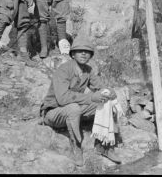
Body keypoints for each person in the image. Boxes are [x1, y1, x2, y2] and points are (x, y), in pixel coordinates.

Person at [40, 35, 119, 166]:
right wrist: (91, 97)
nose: (83, 54)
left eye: (87, 51)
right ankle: (76, 147)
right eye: (80, 51)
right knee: (74, 108)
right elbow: (62, 98)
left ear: (90, 55)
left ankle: (103, 145)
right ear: (73, 54)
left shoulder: (88, 70)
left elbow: (100, 86)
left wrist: (109, 92)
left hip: (74, 109)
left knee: (107, 103)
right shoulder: (64, 69)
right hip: (54, 112)